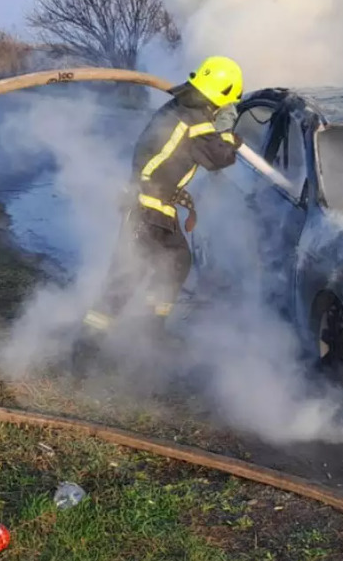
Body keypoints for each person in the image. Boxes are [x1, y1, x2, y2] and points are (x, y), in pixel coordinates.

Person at [72, 56, 244, 369]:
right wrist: (229, 133)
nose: (227, 109)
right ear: (223, 97)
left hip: (157, 204)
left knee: (178, 260)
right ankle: (85, 348)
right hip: (146, 205)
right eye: (229, 103)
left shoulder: (181, 108)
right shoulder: (197, 121)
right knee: (126, 276)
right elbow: (220, 158)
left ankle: (152, 329)